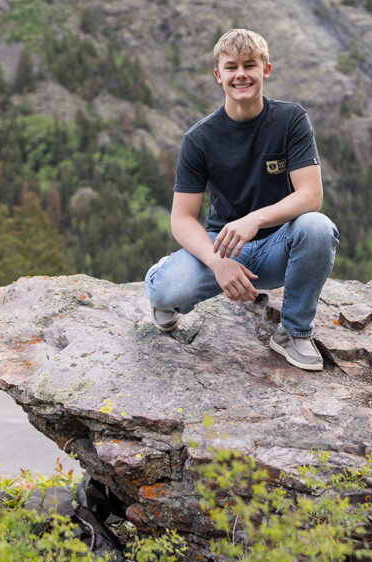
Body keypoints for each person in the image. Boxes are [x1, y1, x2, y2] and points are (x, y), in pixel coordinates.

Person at [144, 28, 338, 371]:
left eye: (250, 65)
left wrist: (256, 219)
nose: (241, 75)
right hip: (224, 247)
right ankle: (165, 271)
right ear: (219, 76)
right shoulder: (199, 139)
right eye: (231, 67)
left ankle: (293, 333)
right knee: (165, 292)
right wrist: (219, 263)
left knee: (318, 227)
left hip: (280, 245)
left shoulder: (290, 119)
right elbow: (182, 218)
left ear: (266, 69)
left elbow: (311, 196)